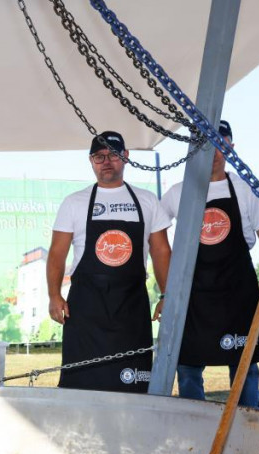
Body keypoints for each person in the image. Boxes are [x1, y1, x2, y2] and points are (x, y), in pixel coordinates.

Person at [160, 120, 259, 407]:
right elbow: (154, 236)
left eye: (219, 142)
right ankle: (195, 423)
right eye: (204, 143)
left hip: (237, 290)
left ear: (230, 146)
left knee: (245, 364)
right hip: (193, 293)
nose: (213, 151)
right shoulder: (179, 193)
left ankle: (246, 421)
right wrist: (167, 290)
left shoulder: (246, 189)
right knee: (188, 365)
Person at [47, 131, 172, 393]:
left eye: (113, 155)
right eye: (99, 156)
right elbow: (57, 253)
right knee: (80, 386)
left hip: (131, 307)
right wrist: (54, 295)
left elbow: (161, 251)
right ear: (91, 161)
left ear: (125, 157)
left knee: (133, 387)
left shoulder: (147, 201)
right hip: (86, 308)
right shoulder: (74, 203)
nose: (106, 162)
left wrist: (167, 295)